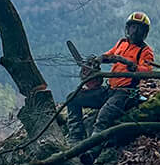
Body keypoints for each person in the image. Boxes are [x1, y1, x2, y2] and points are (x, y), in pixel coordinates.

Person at [66, 12, 155, 143]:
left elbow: (147, 71)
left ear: (144, 32)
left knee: (103, 116)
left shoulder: (145, 51)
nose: (135, 31)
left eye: (139, 28)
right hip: (109, 90)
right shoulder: (122, 43)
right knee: (72, 98)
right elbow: (110, 55)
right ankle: (75, 137)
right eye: (133, 27)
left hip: (125, 93)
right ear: (128, 28)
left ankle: (91, 150)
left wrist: (132, 65)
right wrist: (97, 60)